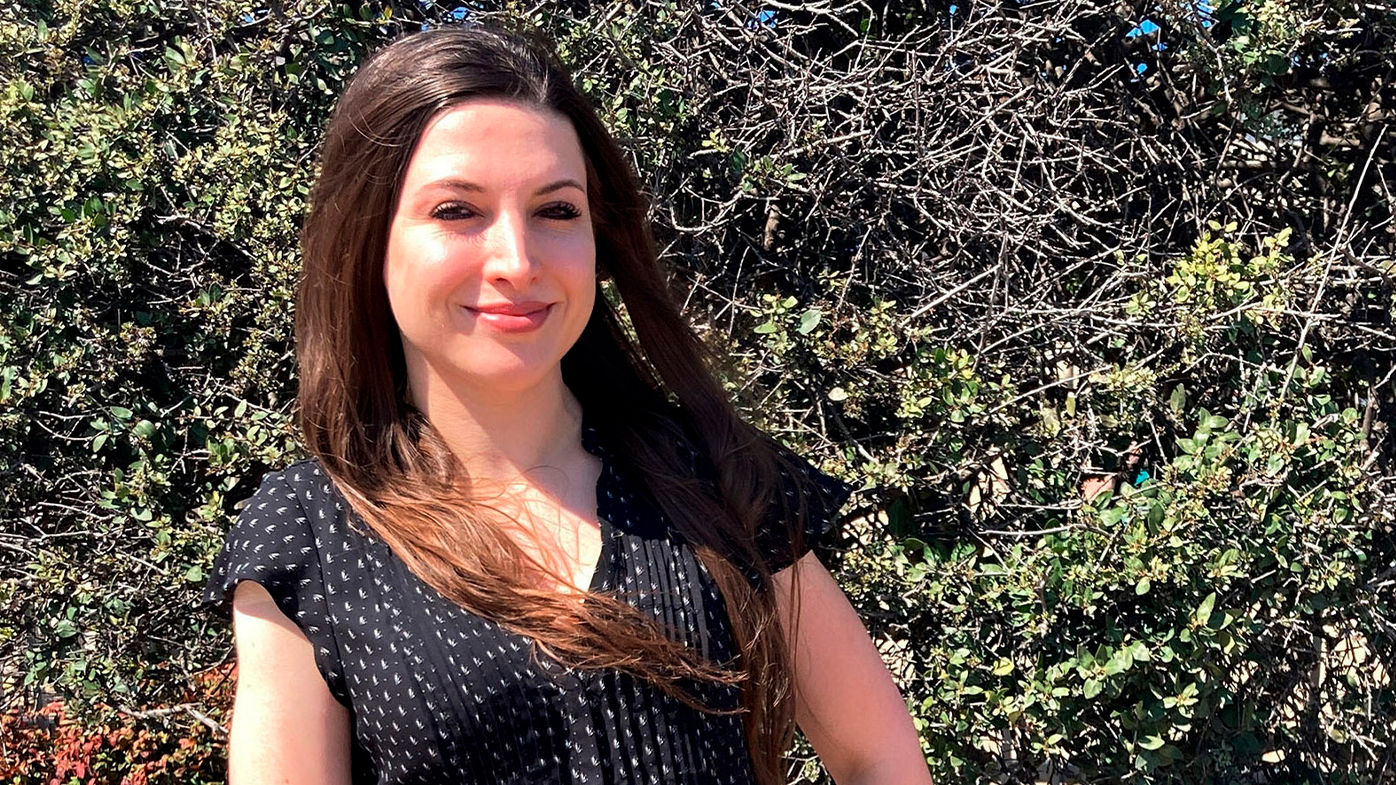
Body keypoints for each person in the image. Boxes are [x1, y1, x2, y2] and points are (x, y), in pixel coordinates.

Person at [201, 23, 930, 785]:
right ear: (367, 239)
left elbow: (876, 755)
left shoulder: (712, 472)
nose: (517, 261)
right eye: (456, 210)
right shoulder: (310, 534)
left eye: (556, 210)